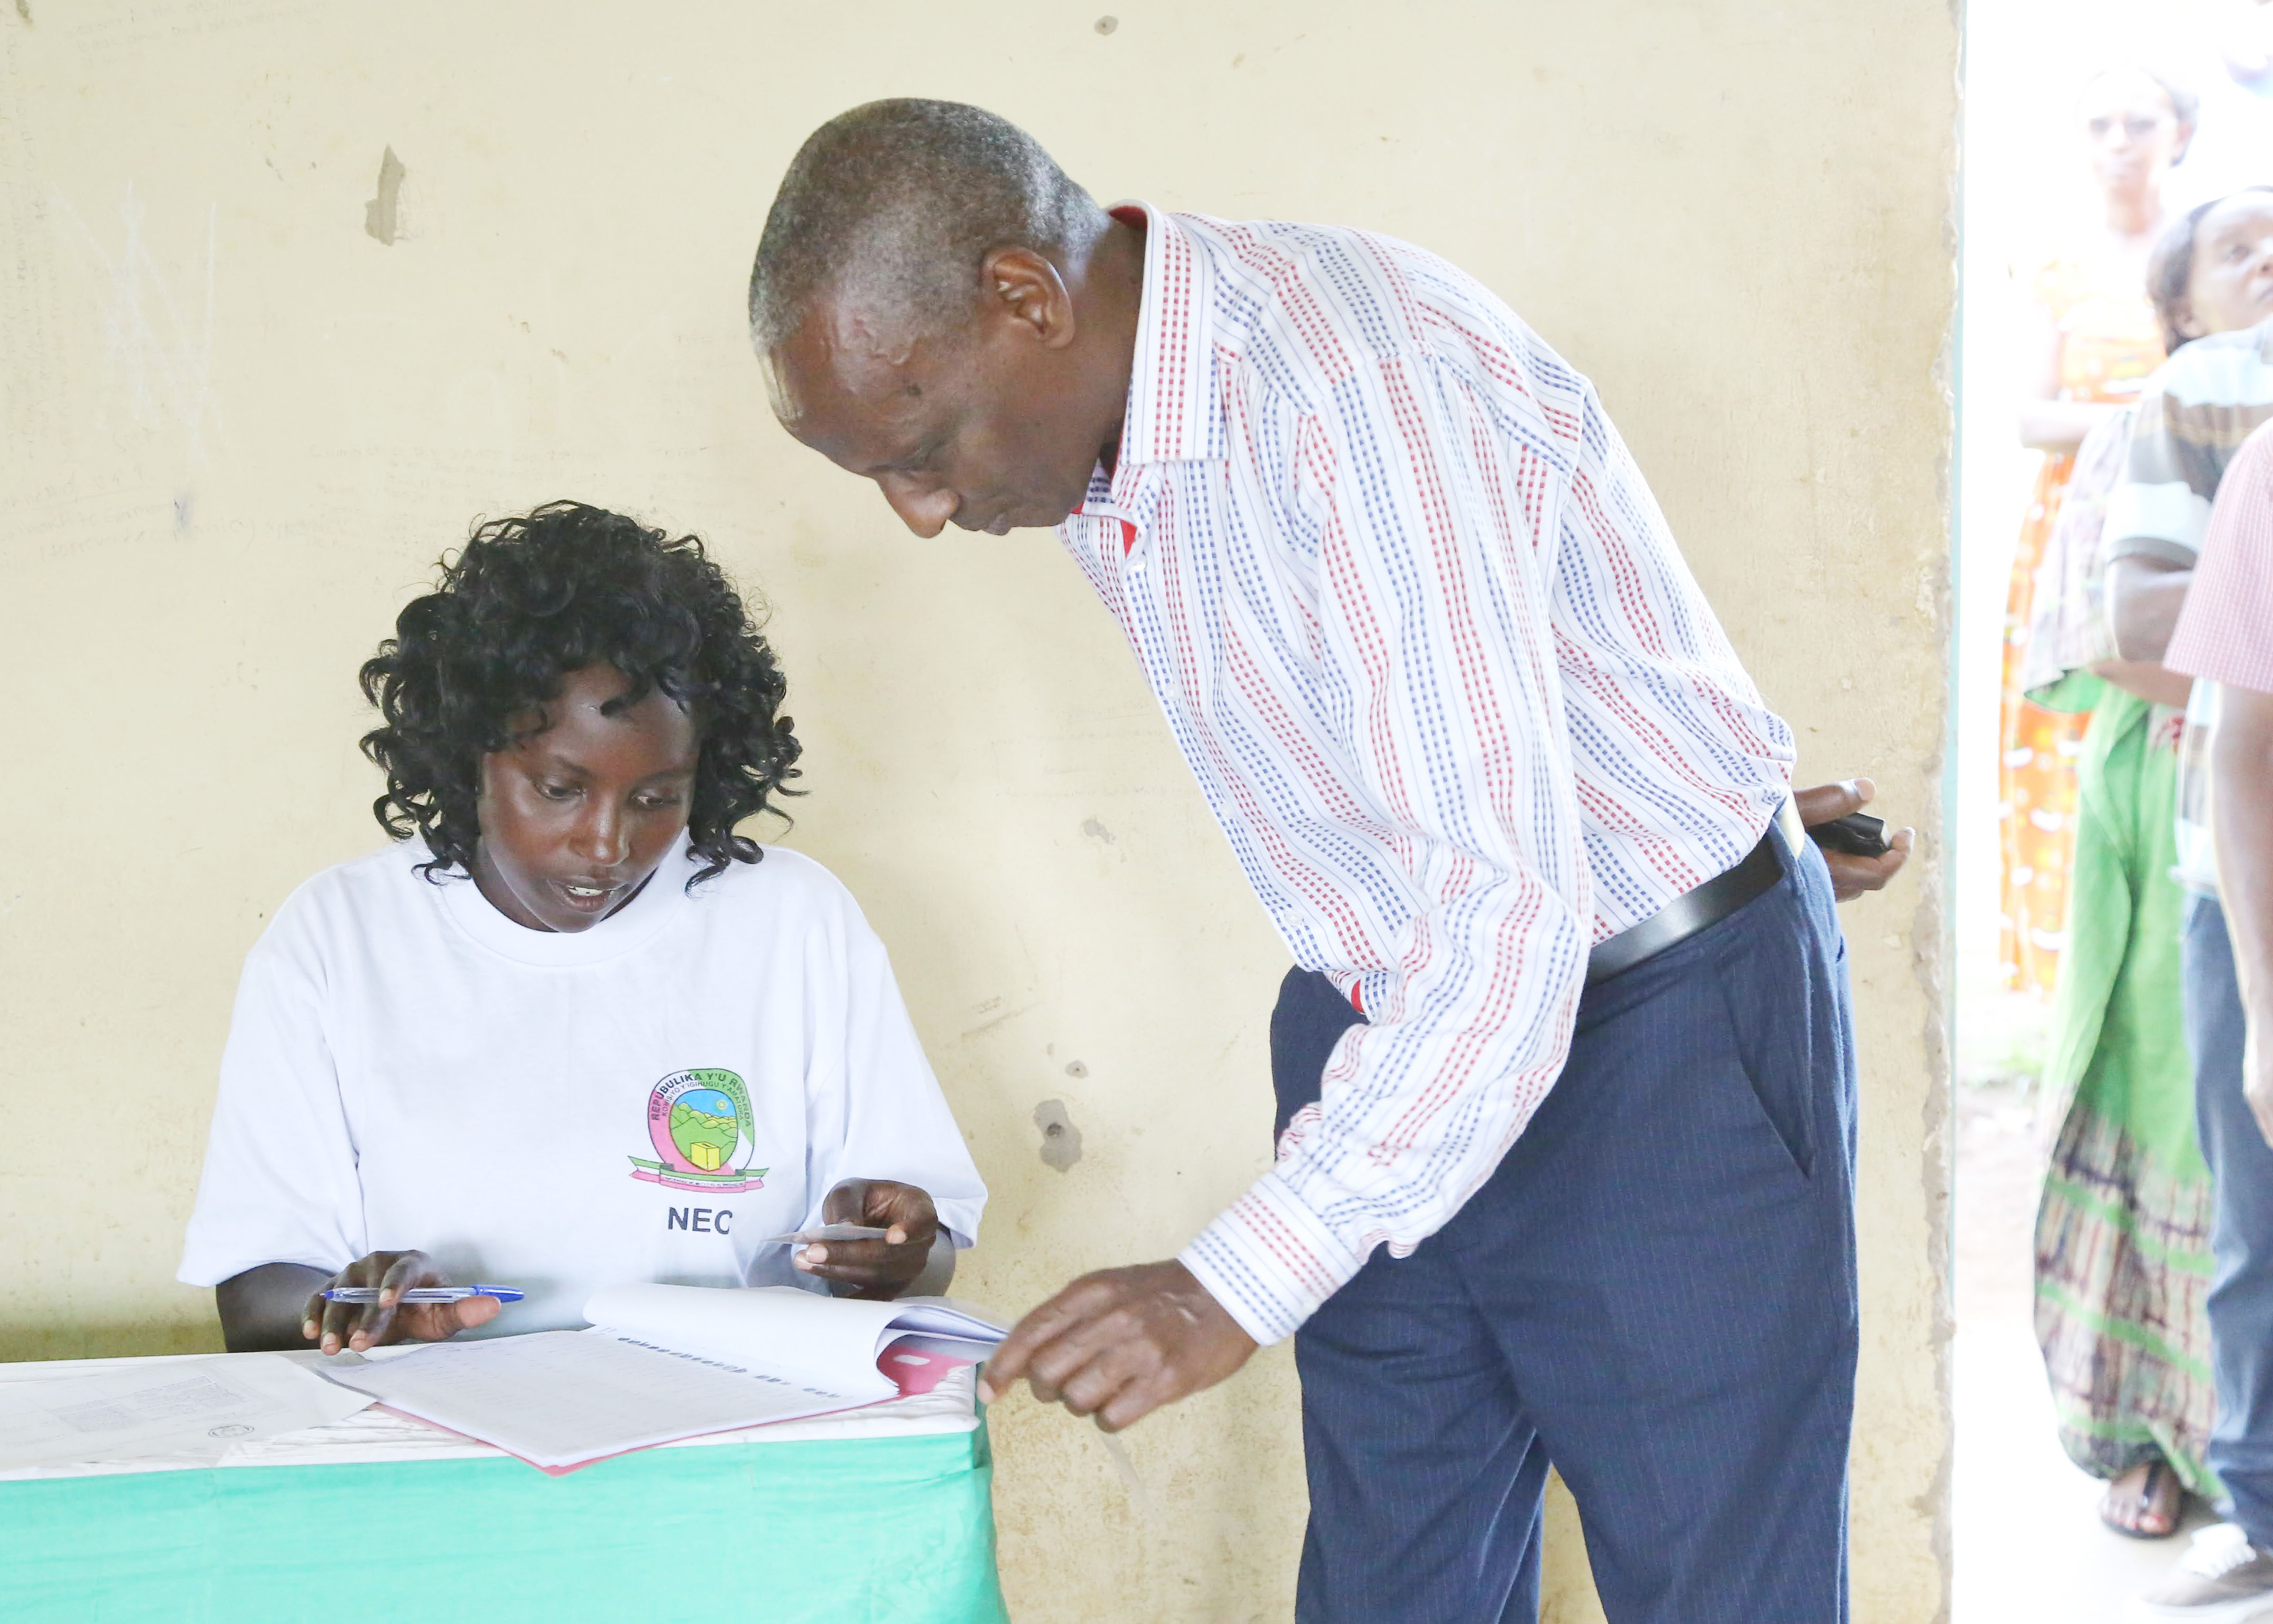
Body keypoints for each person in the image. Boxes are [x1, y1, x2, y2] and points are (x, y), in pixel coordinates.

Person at [748, 98, 1906, 1623]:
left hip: (1651, 1045)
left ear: (1026, 298)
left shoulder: (1353, 393)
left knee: (1715, 1587)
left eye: (919, 446)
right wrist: (1654, 797)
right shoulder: (1111, 418)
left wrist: (1231, 1279)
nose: (920, 509)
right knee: (1391, 1588)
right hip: (1392, 1029)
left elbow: (1507, 912)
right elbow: (1465, 716)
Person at [177, 502, 986, 1353]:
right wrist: (360, 1307)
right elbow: (259, 1297)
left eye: (655, 797)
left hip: (732, 1444)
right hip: (450, 1456)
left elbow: (918, 1252)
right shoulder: (338, 940)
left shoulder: (794, 920)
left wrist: (894, 1252)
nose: (608, 844)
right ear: (468, 755)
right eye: (560, 789)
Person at [2031, 187, 2273, 1540]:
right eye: (2240, 246)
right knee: (2244, 1197)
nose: (2272, 256)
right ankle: (2241, 1481)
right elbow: (2128, 622)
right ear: (2179, 301)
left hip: (2216, 770)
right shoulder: (2207, 400)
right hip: (2196, 832)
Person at [1999, 68, 2192, 1002]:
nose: (2120, 141)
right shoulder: (2059, 269)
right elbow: (2031, 419)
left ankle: (2171, 954)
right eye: (2100, 124)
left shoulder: (2209, 257)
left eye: (2140, 122)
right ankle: (2074, 975)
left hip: (2186, 523)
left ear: (2181, 136)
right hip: (2074, 530)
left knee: (2178, 726)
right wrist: (2161, 412)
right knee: (2063, 738)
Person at [2138, 420, 2273, 1618]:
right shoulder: (2269, 469)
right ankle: (2265, 1508)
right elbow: (2241, 752)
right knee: (2261, 1231)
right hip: (2253, 910)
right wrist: (2267, 1008)